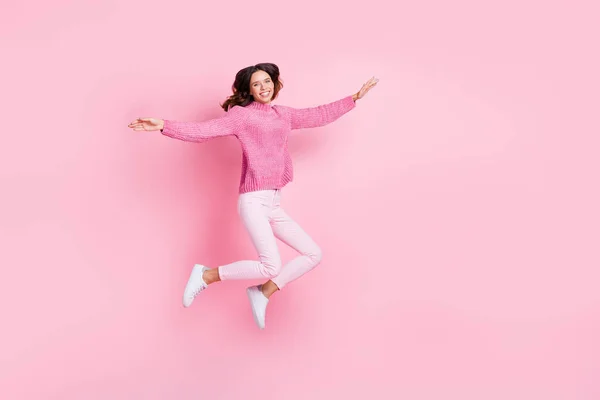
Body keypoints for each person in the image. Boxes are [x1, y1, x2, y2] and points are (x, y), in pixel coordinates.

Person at [128, 63, 378, 329]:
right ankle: (206, 275)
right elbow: (205, 131)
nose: (264, 88)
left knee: (313, 254)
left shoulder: (283, 114)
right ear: (249, 90)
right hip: (254, 200)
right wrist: (164, 125)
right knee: (270, 265)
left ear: (274, 83)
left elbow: (317, 115)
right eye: (257, 84)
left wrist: (353, 98)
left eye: (267, 81)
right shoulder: (242, 116)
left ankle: (263, 292)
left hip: (273, 202)